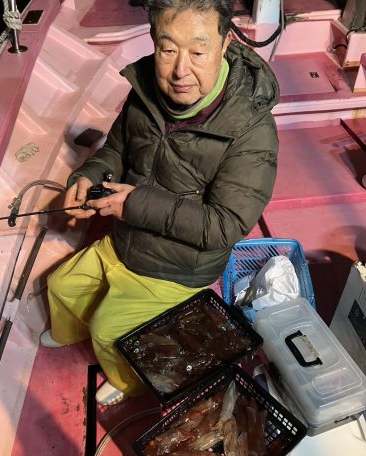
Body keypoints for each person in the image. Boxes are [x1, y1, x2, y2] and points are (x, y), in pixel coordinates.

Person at [40, 0, 279, 405]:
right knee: (62, 285)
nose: (180, 70)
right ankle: (71, 332)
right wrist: (90, 176)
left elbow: (225, 225)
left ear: (225, 44)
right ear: (154, 42)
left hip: (178, 267)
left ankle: (128, 381)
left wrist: (132, 205)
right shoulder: (145, 89)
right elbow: (116, 149)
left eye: (198, 52)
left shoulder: (253, 130)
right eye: (168, 50)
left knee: (108, 331)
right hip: (126, 239)